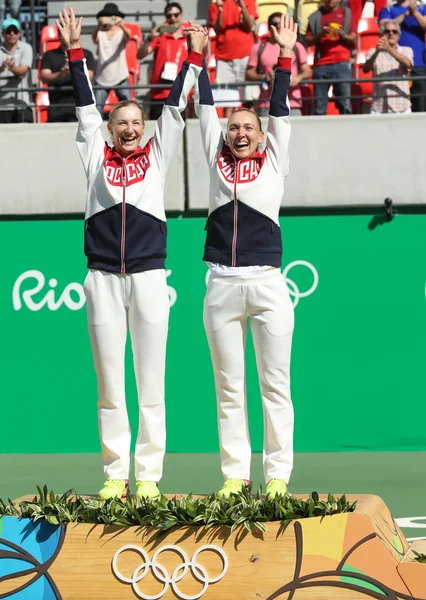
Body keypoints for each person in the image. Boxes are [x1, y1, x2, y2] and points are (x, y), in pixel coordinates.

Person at [56, 7, 205, 500]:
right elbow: (82, 108)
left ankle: (150, 479)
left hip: (148, 277)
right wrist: (75, 52)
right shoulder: (94, 154)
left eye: (136, 121)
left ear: (144, 127)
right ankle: (116, 476)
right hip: (100, 277)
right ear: (109, 128)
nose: (129, 128)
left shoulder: (158, 156)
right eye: (120, 121)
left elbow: (176, 107)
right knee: (110, 384)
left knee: (151, 381)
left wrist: (194, 57)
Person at [192, 14, 297, 500]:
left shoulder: (275, 158)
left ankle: (277, 476)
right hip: (221, 286)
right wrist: (201, 60)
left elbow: (279, 112)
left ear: (259, 134)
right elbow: (206, 109)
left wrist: (284, 59)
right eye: (234, 127)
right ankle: (236, 476)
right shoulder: (216, 158)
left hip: (268, 285)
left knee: (274, 387)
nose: (238, 132)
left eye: (247, 127)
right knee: (229, 389)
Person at [246, 12, 311, 116]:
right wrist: (263, 76)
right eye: (275, 24)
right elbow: (249, 74)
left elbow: (307, 71)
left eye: (281, 23)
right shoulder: (257, 48)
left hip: (292, 102)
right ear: (269, 27)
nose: (279, 26)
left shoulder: (297, 46)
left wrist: (297, 78)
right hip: (266, 103)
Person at [304, 0, 356, 115]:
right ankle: (319, 132)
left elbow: (353, 38)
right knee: (319, 106)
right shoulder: (315, 16)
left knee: (345, 105)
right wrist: (320, 35)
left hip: (342, 62)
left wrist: (341, 33)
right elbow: (306, 41)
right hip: (321, 64)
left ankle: (348, 130)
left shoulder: (346, 13)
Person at [137, 2, 188, 120]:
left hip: (181, 92)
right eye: (169, 16)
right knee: (158, 132)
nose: (173, 18)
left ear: (181, 15)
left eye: (176, 15)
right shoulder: (160, 36)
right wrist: (151, 37)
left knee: (179, 133)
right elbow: (140, 55)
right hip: (159, 92)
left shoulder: (188, 36)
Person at [208, 0, 258, 117]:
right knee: (227, 101)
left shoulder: (248, 1)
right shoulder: (215, 4)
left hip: (246, 55)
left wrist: (241, 5)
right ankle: (228, 132)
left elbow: (250, 24)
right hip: (224, 57)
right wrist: (220, 11)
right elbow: (216, 30)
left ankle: (253, 129)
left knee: (248, 99)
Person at [378, 0, 426, 112]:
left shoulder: (422, 8)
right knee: (396, 106)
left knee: (419, 105)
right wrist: (405, 15)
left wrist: (414, 12)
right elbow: (383, 27)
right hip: (393, 66)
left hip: (418, 65)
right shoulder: (388, 9)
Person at [363, 21, 413, 114]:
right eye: (387, 31)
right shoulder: (372, 52)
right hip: (379, 106)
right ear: (381, 35)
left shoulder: (406, 50)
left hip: (401, 105)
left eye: (394, 31)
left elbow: (408, 64)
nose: (391, 34)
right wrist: (377, 52)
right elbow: (365, 69)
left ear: (398, 36)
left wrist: (389, 48)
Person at [91, 2, 132, 114]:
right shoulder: (100, 32)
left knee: (128, 109)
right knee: (97, 110)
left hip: (120, 76)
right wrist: (99, 25)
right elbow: (94, 38)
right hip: (102, 77)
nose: (111, 19)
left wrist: (121, 25)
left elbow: (129, 36)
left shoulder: (121, 32)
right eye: (108, 16)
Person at [40, 41, 95, 122]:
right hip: (56, 110)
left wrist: (74, 70)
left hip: (81, 109)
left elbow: (89, 77)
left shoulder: (86, 54)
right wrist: (61, 74)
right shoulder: (49, 55)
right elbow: (44, 77)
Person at [0, 17, 32, 123]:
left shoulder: (26, 48)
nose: (12, 34)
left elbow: (23, 70)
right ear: (3, 33)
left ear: (19, 33)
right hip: (2, 106)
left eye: (15, 31)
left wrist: (11, 67)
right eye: (8, 31)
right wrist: (2, 68)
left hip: (22, 103)